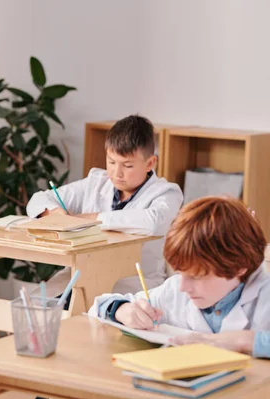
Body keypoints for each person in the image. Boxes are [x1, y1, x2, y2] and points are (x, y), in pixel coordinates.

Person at [88, 196, 270, 353]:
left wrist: (245, 341)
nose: (184, 286)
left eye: (197, 276)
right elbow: (99, 306)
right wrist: (121, 310)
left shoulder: (264, 297)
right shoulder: (176, 290)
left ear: (239, 266)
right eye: (181, 273)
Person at [27, 115, 183, 295]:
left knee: (91, 311)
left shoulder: (167, 192)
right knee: (35, 306)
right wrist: (55, 214)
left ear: (150, 163)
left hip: (133, 283)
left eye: (127, 165)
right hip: (81, 274)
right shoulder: (96, 182)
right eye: (111, 162)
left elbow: (155, 222)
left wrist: (91, 219)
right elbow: (38, 199)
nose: (117, 173)